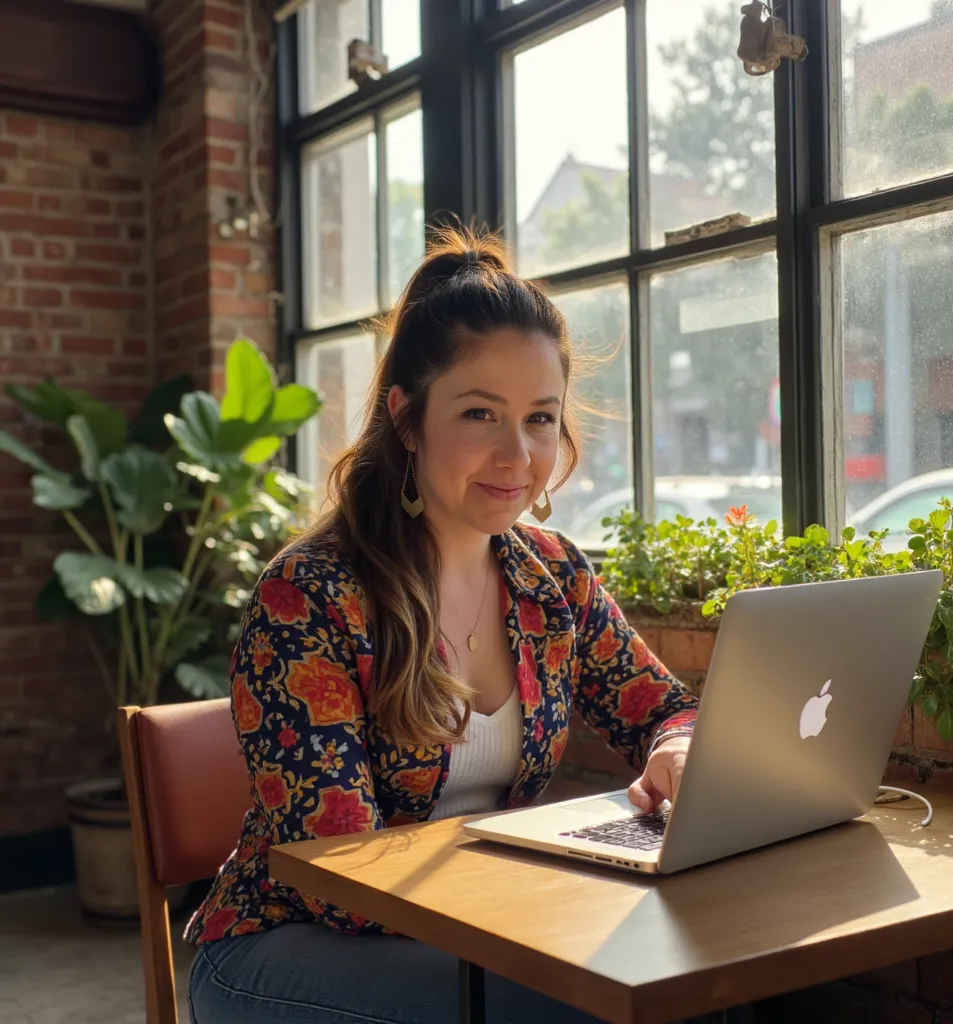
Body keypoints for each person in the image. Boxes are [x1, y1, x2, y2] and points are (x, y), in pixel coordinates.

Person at [186, 228, 700, 1024]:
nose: (517, 454)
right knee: (574, 1008)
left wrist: (678, 748)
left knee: (697, 980)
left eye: (538, 418)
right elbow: (340, 871)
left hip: (475, 925)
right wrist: (543, 900)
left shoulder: (552, 574)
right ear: (408, 418)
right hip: (283, 943)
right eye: (479, 414)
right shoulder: (307, 597)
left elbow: (664, 708)